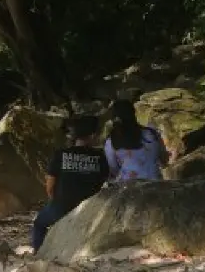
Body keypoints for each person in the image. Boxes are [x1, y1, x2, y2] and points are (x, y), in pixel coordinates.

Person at [31, 115, 109, 252]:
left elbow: (49, 185)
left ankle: (38, 253)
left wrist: (54, 201)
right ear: (92, 135)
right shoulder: (100, 157)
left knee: (39, 224)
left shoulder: (61, 154)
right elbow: (103, 182)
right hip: (89, 208)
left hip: (62, 207)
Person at [104, 100, 168, 183]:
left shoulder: (111, 141)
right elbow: (164, 159)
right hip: (156, 184)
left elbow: (113, 169)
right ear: (134, 114)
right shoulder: (152, 133)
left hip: (128, 188)